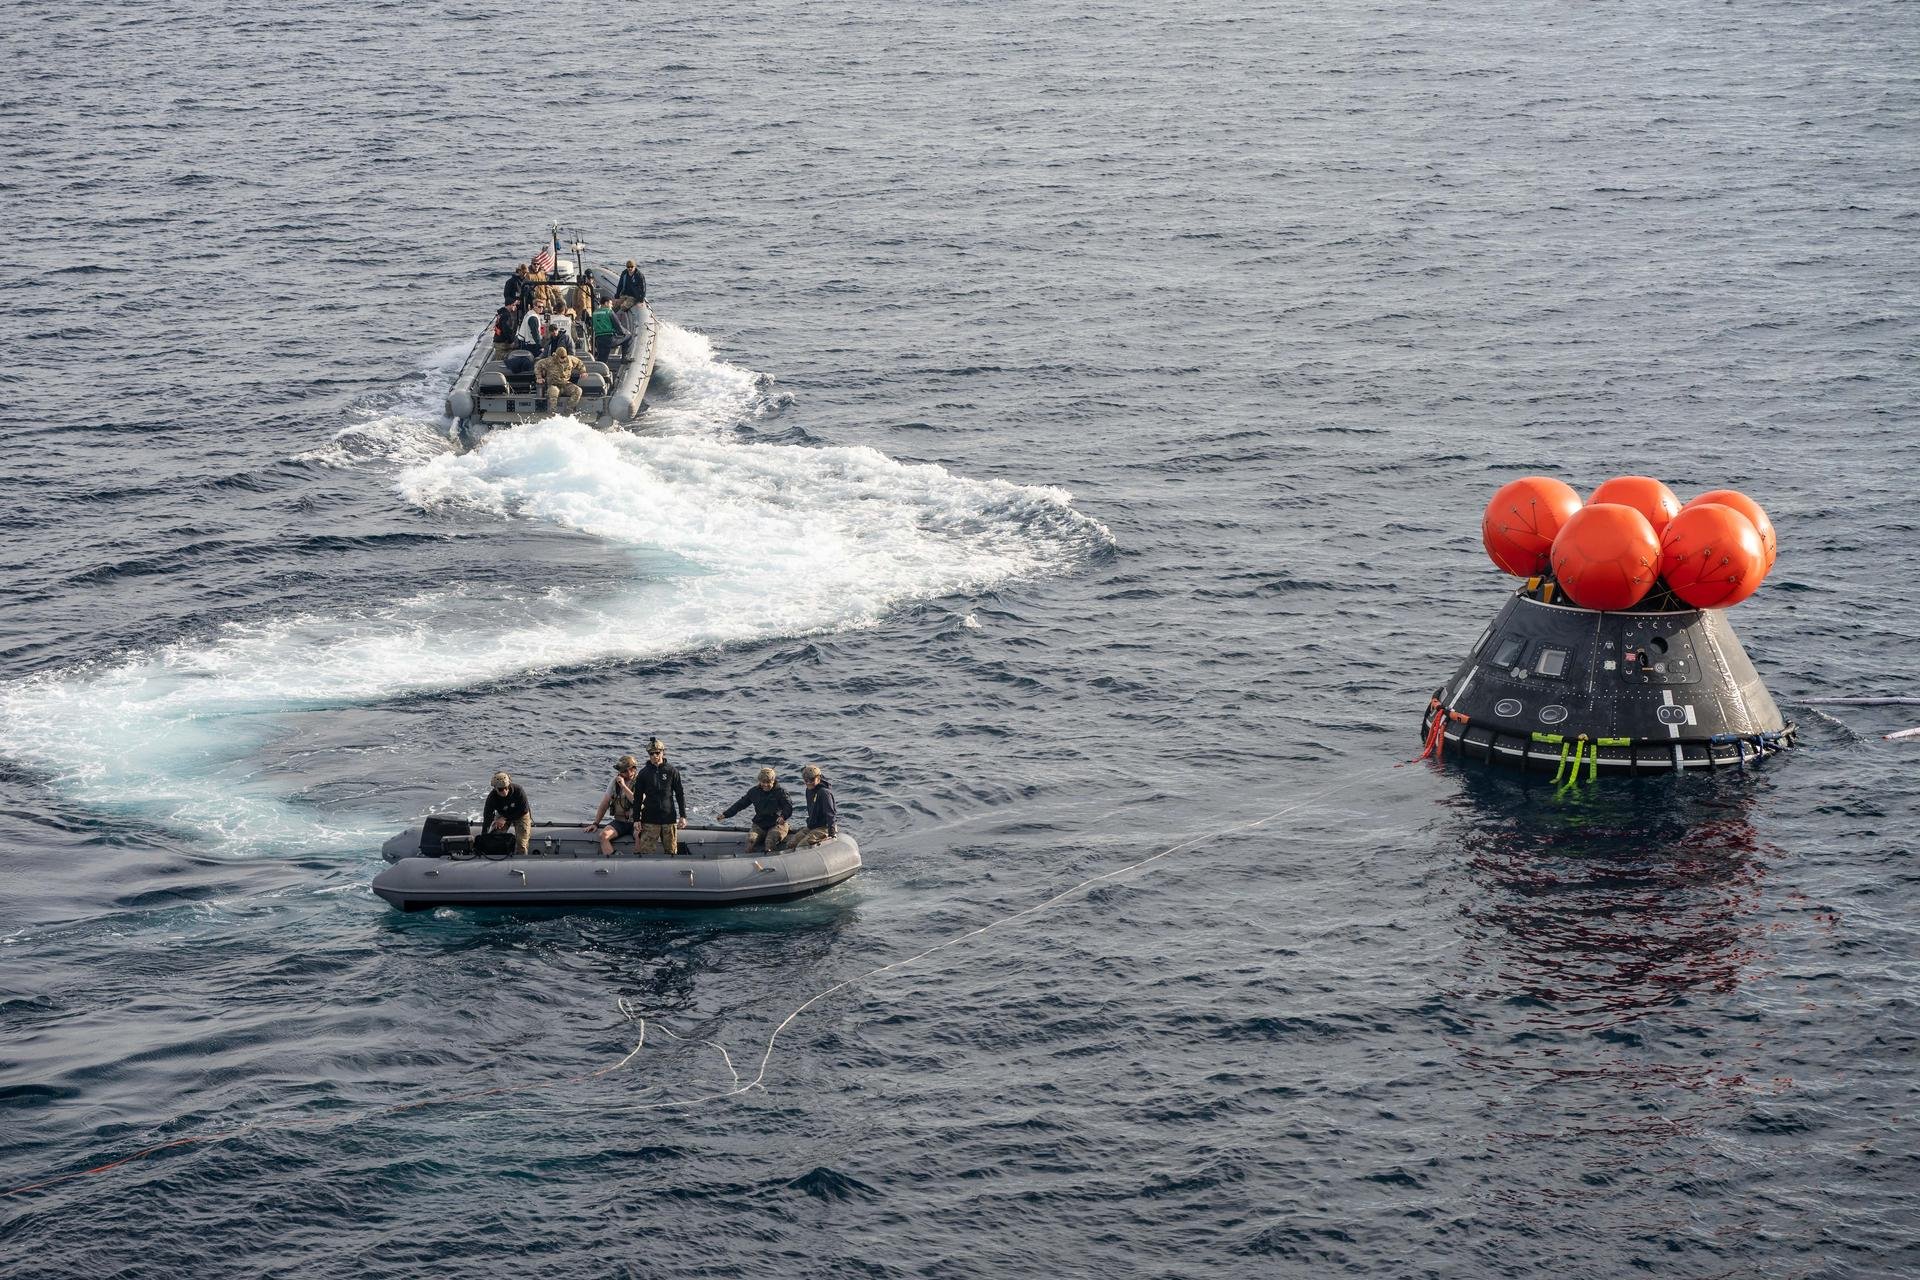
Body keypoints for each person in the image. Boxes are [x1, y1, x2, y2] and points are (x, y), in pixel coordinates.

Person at [633, 737, 688, 855]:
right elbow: (637, 797)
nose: (654, 756)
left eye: (657, 753)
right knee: (646, 853)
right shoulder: (643, 773)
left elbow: (679, 794)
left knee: (671, 852)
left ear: (663, 752)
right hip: (649, 820)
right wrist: (636, 819)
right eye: (651, 753)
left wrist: (683, 816)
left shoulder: (672, 771)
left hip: (669, 819)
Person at [721, 767, 792, 854]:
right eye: (763, 782)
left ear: (773, 781)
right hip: (760, 824)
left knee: (770, 840)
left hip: (777, 824)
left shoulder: (781, 792)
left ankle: (768, 855)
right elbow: (740, 804)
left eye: (768, 782)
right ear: (759, 781)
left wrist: (783, 816)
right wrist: (726, 814)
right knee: (750, 840)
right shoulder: (754, 792)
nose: (765, 785)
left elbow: (788, 806)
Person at [584, 754, 641, 856]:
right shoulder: (615, 782)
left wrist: (623, 786)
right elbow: (605, 803)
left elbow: (636, 801)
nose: (620, 773)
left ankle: (637, 859)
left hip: (636, 822)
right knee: (603, 836)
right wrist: (596, 823)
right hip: (620, 821)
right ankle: (614, 858)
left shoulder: (641, 781)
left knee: (640, 836)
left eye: (623, 771)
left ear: (632, 769)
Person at [783, 764, 838, 848]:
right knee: (791, 844)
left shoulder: (824, 793)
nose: (808, 783)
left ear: (818, 778)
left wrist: (832, 833)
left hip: (824, 827)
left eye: (812, 780)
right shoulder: (809, 790)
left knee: (802, 845)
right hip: (812, 826)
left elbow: (830, 814)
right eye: (806, 780)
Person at [483, 771, 533, 855]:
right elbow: (487, 817)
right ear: (495, 788)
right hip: (503, 814)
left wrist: (505, 818)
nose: (504, 791)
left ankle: (521, 857)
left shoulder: (518, 791)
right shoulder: (492, 798)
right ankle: (498, 856)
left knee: (521, 843)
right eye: (500, 789)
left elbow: (524, 810)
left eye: (506, 788)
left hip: (520, 814)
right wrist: (484, 835)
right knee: (496, 836)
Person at [534, 346, 583, 414]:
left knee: (578, 390)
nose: (563, 359)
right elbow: (538, 365)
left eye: (564, 357)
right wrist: (539, 377)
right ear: (557, 356)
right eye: (561, 357)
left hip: (565, 384)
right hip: (553, 384)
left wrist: (583, 372)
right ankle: (553, 414)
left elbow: (579, 363)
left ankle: (569, 411)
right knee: (553, 392)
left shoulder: (570, 359)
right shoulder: (549, 361)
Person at [590, 297, 617, 364]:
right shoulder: (609, 312)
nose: (612, 306)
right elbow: (617, 325)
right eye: (611, 304)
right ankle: (624, 358)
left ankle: (599, 366)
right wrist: (623, 333)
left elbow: (592, 324)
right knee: (628, 337)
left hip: (598, 337)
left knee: (601, 356)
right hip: (609, 337)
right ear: (606, 303)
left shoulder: (594, 313)